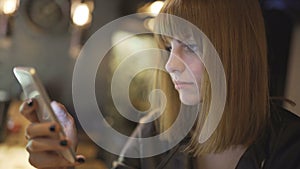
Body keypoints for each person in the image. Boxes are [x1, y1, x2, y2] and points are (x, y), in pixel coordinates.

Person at [19, 0, 300, 168]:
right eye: (168, 47)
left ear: (235, 53)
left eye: (189, 46)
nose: (170, 64)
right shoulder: (158, 129)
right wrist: (65, 164)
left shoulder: (289, 146)